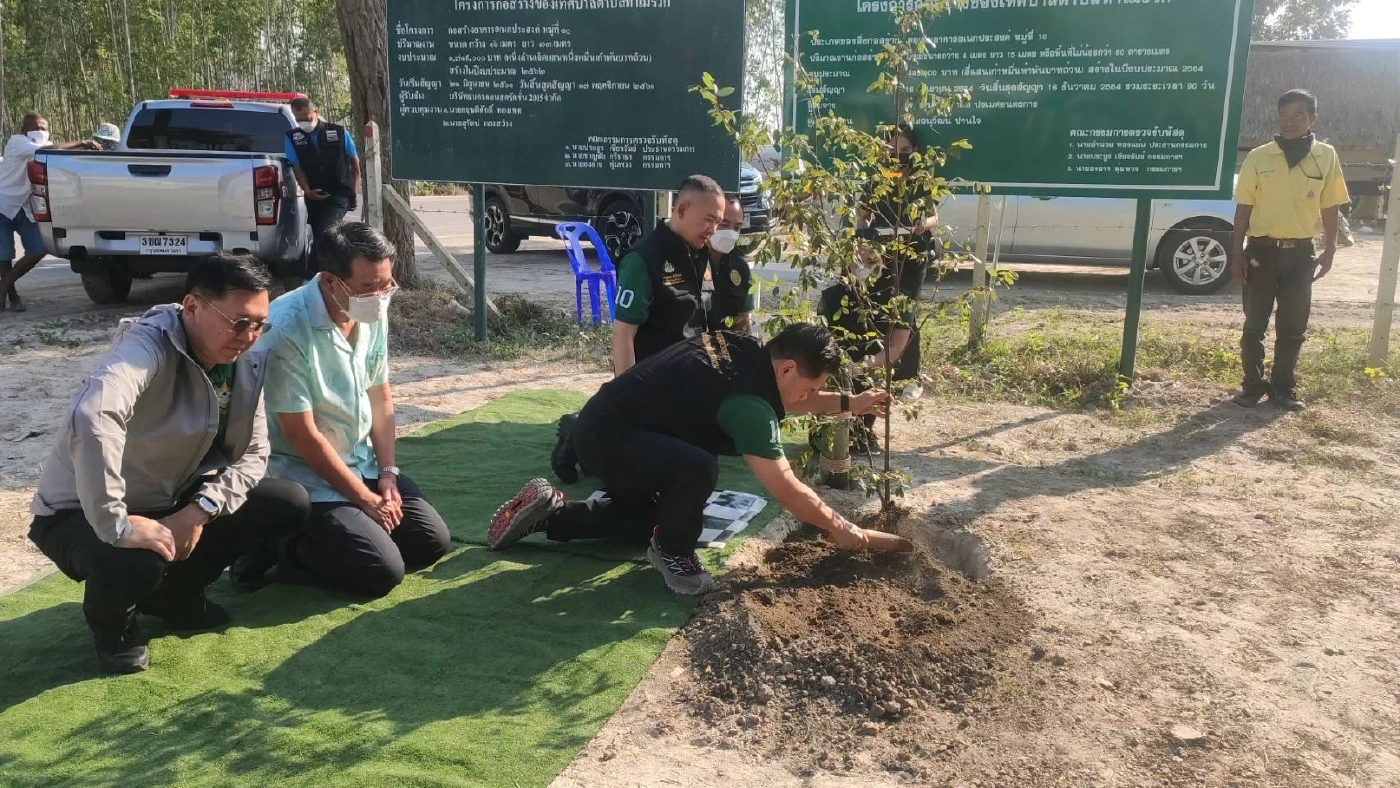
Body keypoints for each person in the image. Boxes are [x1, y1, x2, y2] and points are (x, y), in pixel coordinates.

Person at [26, 253, 311, 674]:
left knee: (285, 501)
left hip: (174, 496)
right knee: (136, 555)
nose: (249, 336)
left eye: (259, 324)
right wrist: (117, 523)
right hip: (79, 511)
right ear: (193, 307)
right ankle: (112, 624)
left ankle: (173, 594)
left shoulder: (243, 360)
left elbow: (254, 454)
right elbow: (94, 415)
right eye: (238, 322)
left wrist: (198, 511)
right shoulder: (145, 345)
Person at [489, 324, 888, 596]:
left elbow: (793, 397)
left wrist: (852, 404)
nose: (808, 397)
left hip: (607, 425)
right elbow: (785, 486)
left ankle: (550, 515)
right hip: (612, 442)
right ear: (787, 368)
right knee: (698, 468)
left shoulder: (745, 349)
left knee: (654, 519)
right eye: (810, 386)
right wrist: (840, 526)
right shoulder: (749, 404)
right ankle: (673, 552)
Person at [256, 221, 451, 599]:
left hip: (362, 463)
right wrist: (366, 500)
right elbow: (302, 434)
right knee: (381, 571)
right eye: (369, 288)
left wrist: (388, 476)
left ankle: (347, 528)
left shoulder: (369, 313)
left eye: (386, 285)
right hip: (307, 477)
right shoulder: (284, 329)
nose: (381, 297)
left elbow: (381, 395)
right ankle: (283, 548)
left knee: (431, 542)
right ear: (330, 282)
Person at [550, 174, 728, 484]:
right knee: (634, 463)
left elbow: (699, 320)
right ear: (682, 210)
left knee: (701, 458)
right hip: (650, 381)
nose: (713, 229)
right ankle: (576, 433)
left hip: (685, 381)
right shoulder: (643, 260)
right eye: (709, 219)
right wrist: (627, 398)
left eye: (719, 221)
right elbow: (623, 335)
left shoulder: (698, 255)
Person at [1230, 89, 1350, 411]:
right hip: (1261, 253)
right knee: (1254, 324)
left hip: (1301, 255)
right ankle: (1252, 387)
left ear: (1313, 119)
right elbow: (1243, 210)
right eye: (1285, 114)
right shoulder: (1258, 157)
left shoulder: (1326, 156)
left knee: (1293, 326)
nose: (1291, 121)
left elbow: (1330, 206)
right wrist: (1235, 253)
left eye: (1299, 115)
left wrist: (1331, 249)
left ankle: (1283, 389)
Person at [820, 125, 936, 453]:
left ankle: (904, 376)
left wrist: (919, 226)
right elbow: (862, 216)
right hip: (882, 254)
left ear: (913, 150)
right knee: (871, 316)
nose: (898, 155)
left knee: (903, 315)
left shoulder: (920, 179)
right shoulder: (877, 177)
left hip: (912, 255)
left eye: (904, 149)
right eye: (892, 149)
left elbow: (933, 217)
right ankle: (856, 397)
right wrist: (864, 243)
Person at [0, 113, 100, 311]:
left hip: (27, 208)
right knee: (4, 256)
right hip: (4, 204)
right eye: (36, 127)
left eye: (44, 127)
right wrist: (82, 141)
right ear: (25, 129)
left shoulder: (50, 146)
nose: (41, 131)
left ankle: (2, 287)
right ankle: (11, 297)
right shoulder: (17, 141)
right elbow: (47, 149)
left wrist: (83, 148)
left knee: (37, 250)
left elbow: (57, 154)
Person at [285, 97, 361, 279]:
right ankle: (332, 274)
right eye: (299, 119)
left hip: (340, 192)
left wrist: (354, 191)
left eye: (306, 118)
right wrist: (307, 190)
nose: (303, 123)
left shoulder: (338, 132)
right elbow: (296, 167)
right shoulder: (292, 137)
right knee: (322, 234)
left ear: (316, 112)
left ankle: (310, 276)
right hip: (314, 195)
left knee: (326, 231)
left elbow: (354, 163)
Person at [704, 194, 757, 334]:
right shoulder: (688, 260)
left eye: (737, 227)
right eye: (724, 224)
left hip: (726, 350)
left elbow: (743, 323)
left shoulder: (740, 268)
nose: (731, 233)